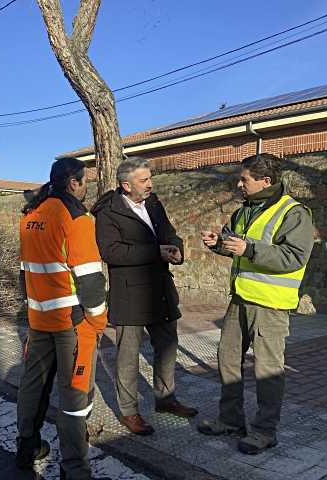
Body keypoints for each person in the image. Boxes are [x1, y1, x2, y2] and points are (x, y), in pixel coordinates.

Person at [197, 153, 314, 455]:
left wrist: (250, 249)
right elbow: (238, 248)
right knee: (228, 359)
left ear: (266, 181)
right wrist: (218, 244)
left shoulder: (295, 213)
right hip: (240, 298)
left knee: (267, 370)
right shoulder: (246, 210)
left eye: (244, 179)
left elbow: (294, 257)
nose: (239, 184)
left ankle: (264, 431)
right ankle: (231, 419)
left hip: (271, 305)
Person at [16, 157, 110, 480]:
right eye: (85, 181)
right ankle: (74, 470)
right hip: (71, 323)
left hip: (39, 319)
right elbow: (91, 280)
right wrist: (98, 322)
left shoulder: (30, 216)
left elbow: (24, 273)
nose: (86, 187)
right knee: (74, 397)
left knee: (33, 385)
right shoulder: (78, 218)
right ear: (74, 183)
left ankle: (27, 447)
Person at [91, 157, 198, 437]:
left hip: (160, 290)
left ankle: (166, 398)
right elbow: (111, 252)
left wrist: (175, 249)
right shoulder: (108, 212)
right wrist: (155, 252)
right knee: (127, 355)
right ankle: (129, 411)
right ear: (126, 185)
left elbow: (170, 234)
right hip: (129, 294)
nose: (150, 184)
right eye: (144, 180)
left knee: (167, 345)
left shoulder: (153, 203)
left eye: (150, 178)